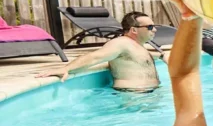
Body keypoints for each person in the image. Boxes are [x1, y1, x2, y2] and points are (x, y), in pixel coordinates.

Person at [36, 11, 164, 91]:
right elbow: (95, 56)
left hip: (146, 95)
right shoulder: (120, 43)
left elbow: (134, 59)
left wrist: (162, 56)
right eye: (150, 27)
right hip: (133, 97)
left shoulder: (137, 46)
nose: (154, 30)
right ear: (134, 30)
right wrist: (66, 68)